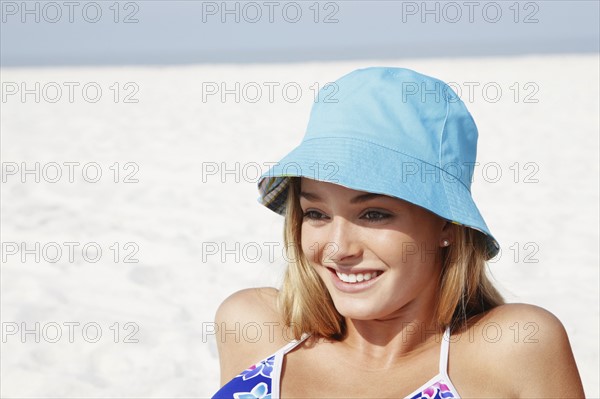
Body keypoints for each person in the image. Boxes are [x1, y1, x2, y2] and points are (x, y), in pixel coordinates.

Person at [212, 67, 584, 398]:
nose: (338, 248)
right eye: (316, 213)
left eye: (373, 214)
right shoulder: (253, 326)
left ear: (447, 225)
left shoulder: (513, 347)